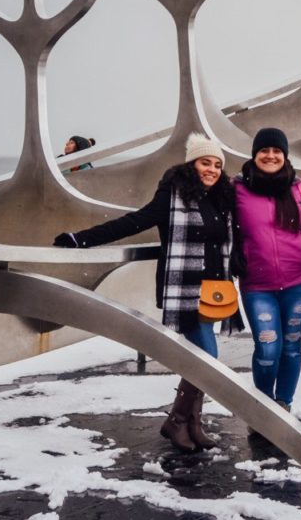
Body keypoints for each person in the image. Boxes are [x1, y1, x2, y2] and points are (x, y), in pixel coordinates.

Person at [52, 133, 239, 452]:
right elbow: (134, 222)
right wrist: (81, 239)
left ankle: (191, 422)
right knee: (208, 358)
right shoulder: (173, 195)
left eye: (217, 165)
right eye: (205, 162)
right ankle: (179, 421)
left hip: (213, 291)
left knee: (201, 358)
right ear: (191, 163)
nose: (211, 169)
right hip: (184, 289)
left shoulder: (219, 200)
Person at [233, 126, 301, 415]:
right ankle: (263, 410)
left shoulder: (297, 186)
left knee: (290, 346)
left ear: (285, 156)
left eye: (277, 151)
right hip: (257, 285)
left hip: (299, 280)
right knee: (267, 349)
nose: (271, 156)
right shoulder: (236, 187)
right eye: (265, 150)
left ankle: (283, 405)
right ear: (255, 154)